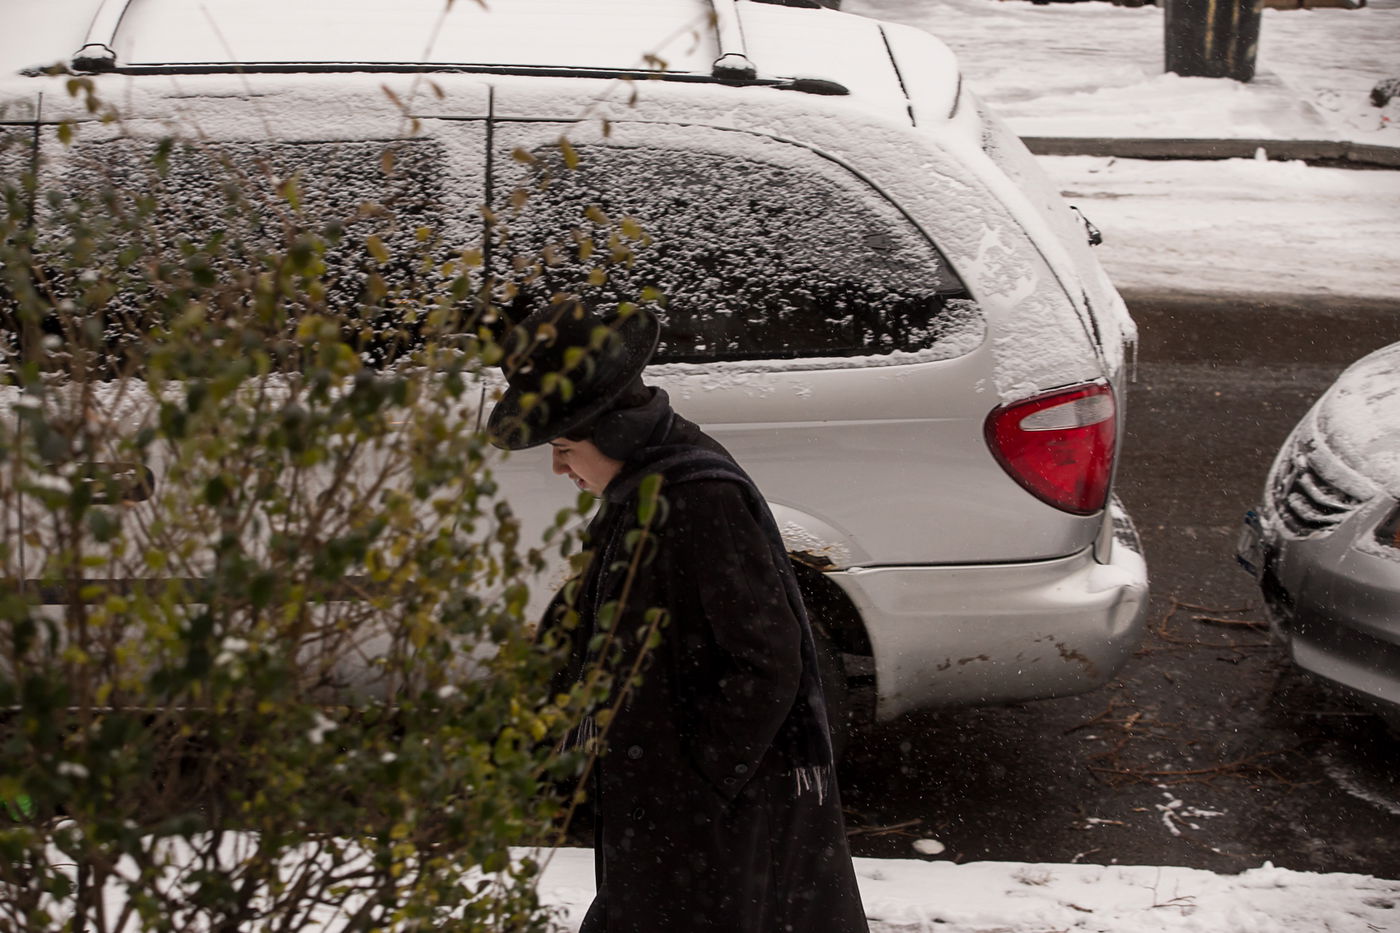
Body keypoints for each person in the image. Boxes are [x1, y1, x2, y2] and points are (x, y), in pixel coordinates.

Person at [489, 298, 869, 933]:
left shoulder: (698, 501)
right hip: (664, 809)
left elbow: (768, 661)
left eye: (563, 445)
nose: (559, 466)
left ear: (611, 430)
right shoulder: (643, 491)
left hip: (712, 826)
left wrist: (699, 785)